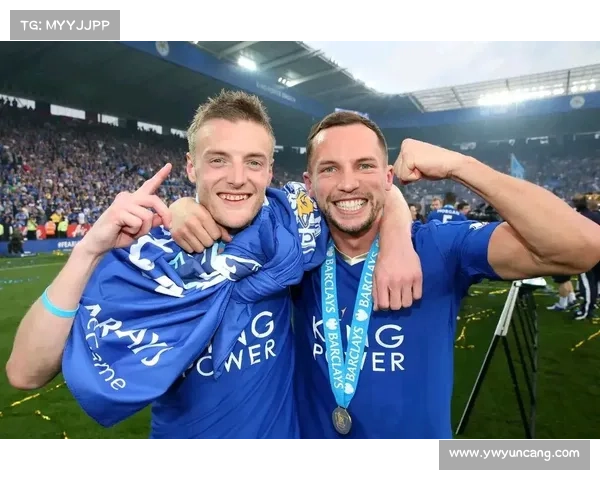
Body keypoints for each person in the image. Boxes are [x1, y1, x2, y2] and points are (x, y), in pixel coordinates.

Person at [6, 91, 421, 440]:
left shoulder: (292, 227)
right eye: (219, 160)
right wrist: (88, 251)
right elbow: (25, 374)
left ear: (269, 172)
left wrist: (398, 239)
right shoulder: (147, 257)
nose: (238, 177)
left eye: (253, 162)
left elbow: (367, 190)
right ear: (192, 167)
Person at [170, 111, 600, 440]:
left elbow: (583, 246)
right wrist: (182, 208)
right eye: (330, 169)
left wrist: (461, 165)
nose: (348, 183)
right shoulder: (295, 251)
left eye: (365, 166)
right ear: (308, 183)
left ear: (388, 177)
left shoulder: (438, 247)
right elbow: (229, 203)